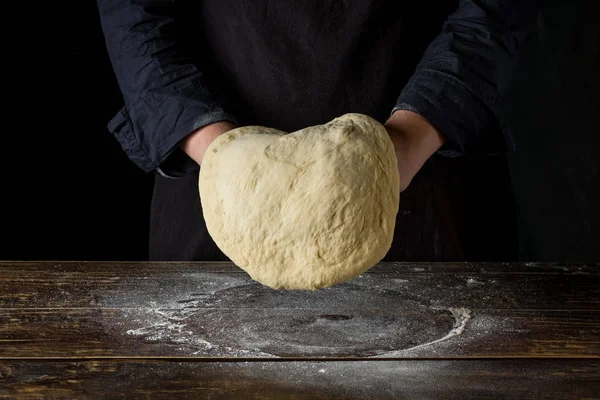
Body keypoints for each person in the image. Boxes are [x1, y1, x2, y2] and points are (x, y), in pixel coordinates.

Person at [97, 0, 540, 262]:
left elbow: (493, 9)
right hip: (220, 199)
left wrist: (405, 145)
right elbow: (134, 12)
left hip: (425, 189)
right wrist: (223, 155)